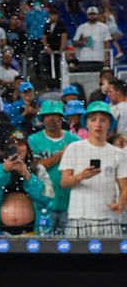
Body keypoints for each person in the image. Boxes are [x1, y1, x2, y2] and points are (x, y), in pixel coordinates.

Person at [59, 101, 127, 237]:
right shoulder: (74, 148)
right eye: (93, 119)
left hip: (109, 219)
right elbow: (64, 183)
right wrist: (81, 176)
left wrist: (122, 202)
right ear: (87, 123)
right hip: (79, 217)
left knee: (111, 259)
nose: (98, 124)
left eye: (103, 120)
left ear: (109, 124)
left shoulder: (119, 153)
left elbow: (124, 186)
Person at [0, 131, 54, 235]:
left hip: (33, 230)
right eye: (13, 146)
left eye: (21, 145)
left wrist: (28, 176)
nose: (18, 149)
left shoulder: (38, 169)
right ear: (7, 150)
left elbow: (47, 197)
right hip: (2, 231)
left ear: (27, 149)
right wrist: (3, 171)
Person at [28, 101, 81, 235]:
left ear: (61, 118)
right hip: (43, 202)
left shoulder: (74, 139)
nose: (51, 119)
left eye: (55, 115)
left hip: (69, 201)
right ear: (42, 118)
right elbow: (36, 166)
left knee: (70, 244)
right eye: (47, 115)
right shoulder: (34, 139)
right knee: (44, 245)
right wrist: (62, 154)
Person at [70, 6, 111, 71]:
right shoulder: (81, 27)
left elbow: (106, 43)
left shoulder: (104, 27)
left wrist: (107, 57)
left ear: (97, 15)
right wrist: (82, 41)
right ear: (87, 15)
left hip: (99, 58)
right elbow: (74, 42)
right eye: (90, 14)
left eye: (94, 14)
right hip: (84, 58)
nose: (92, 16)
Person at [41, 8, 68, 84]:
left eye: (53, 15)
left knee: (58, 67)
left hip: (58, 50)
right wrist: (47, 47)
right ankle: (50, 83)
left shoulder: (61, 25)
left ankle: (59, 83)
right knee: (49, 67)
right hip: (49, 50)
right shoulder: (47, 25)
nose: (51, 17)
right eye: (50, 15)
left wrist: (61, 48)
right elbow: (44, 37)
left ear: (57, 15)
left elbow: (64, 37)